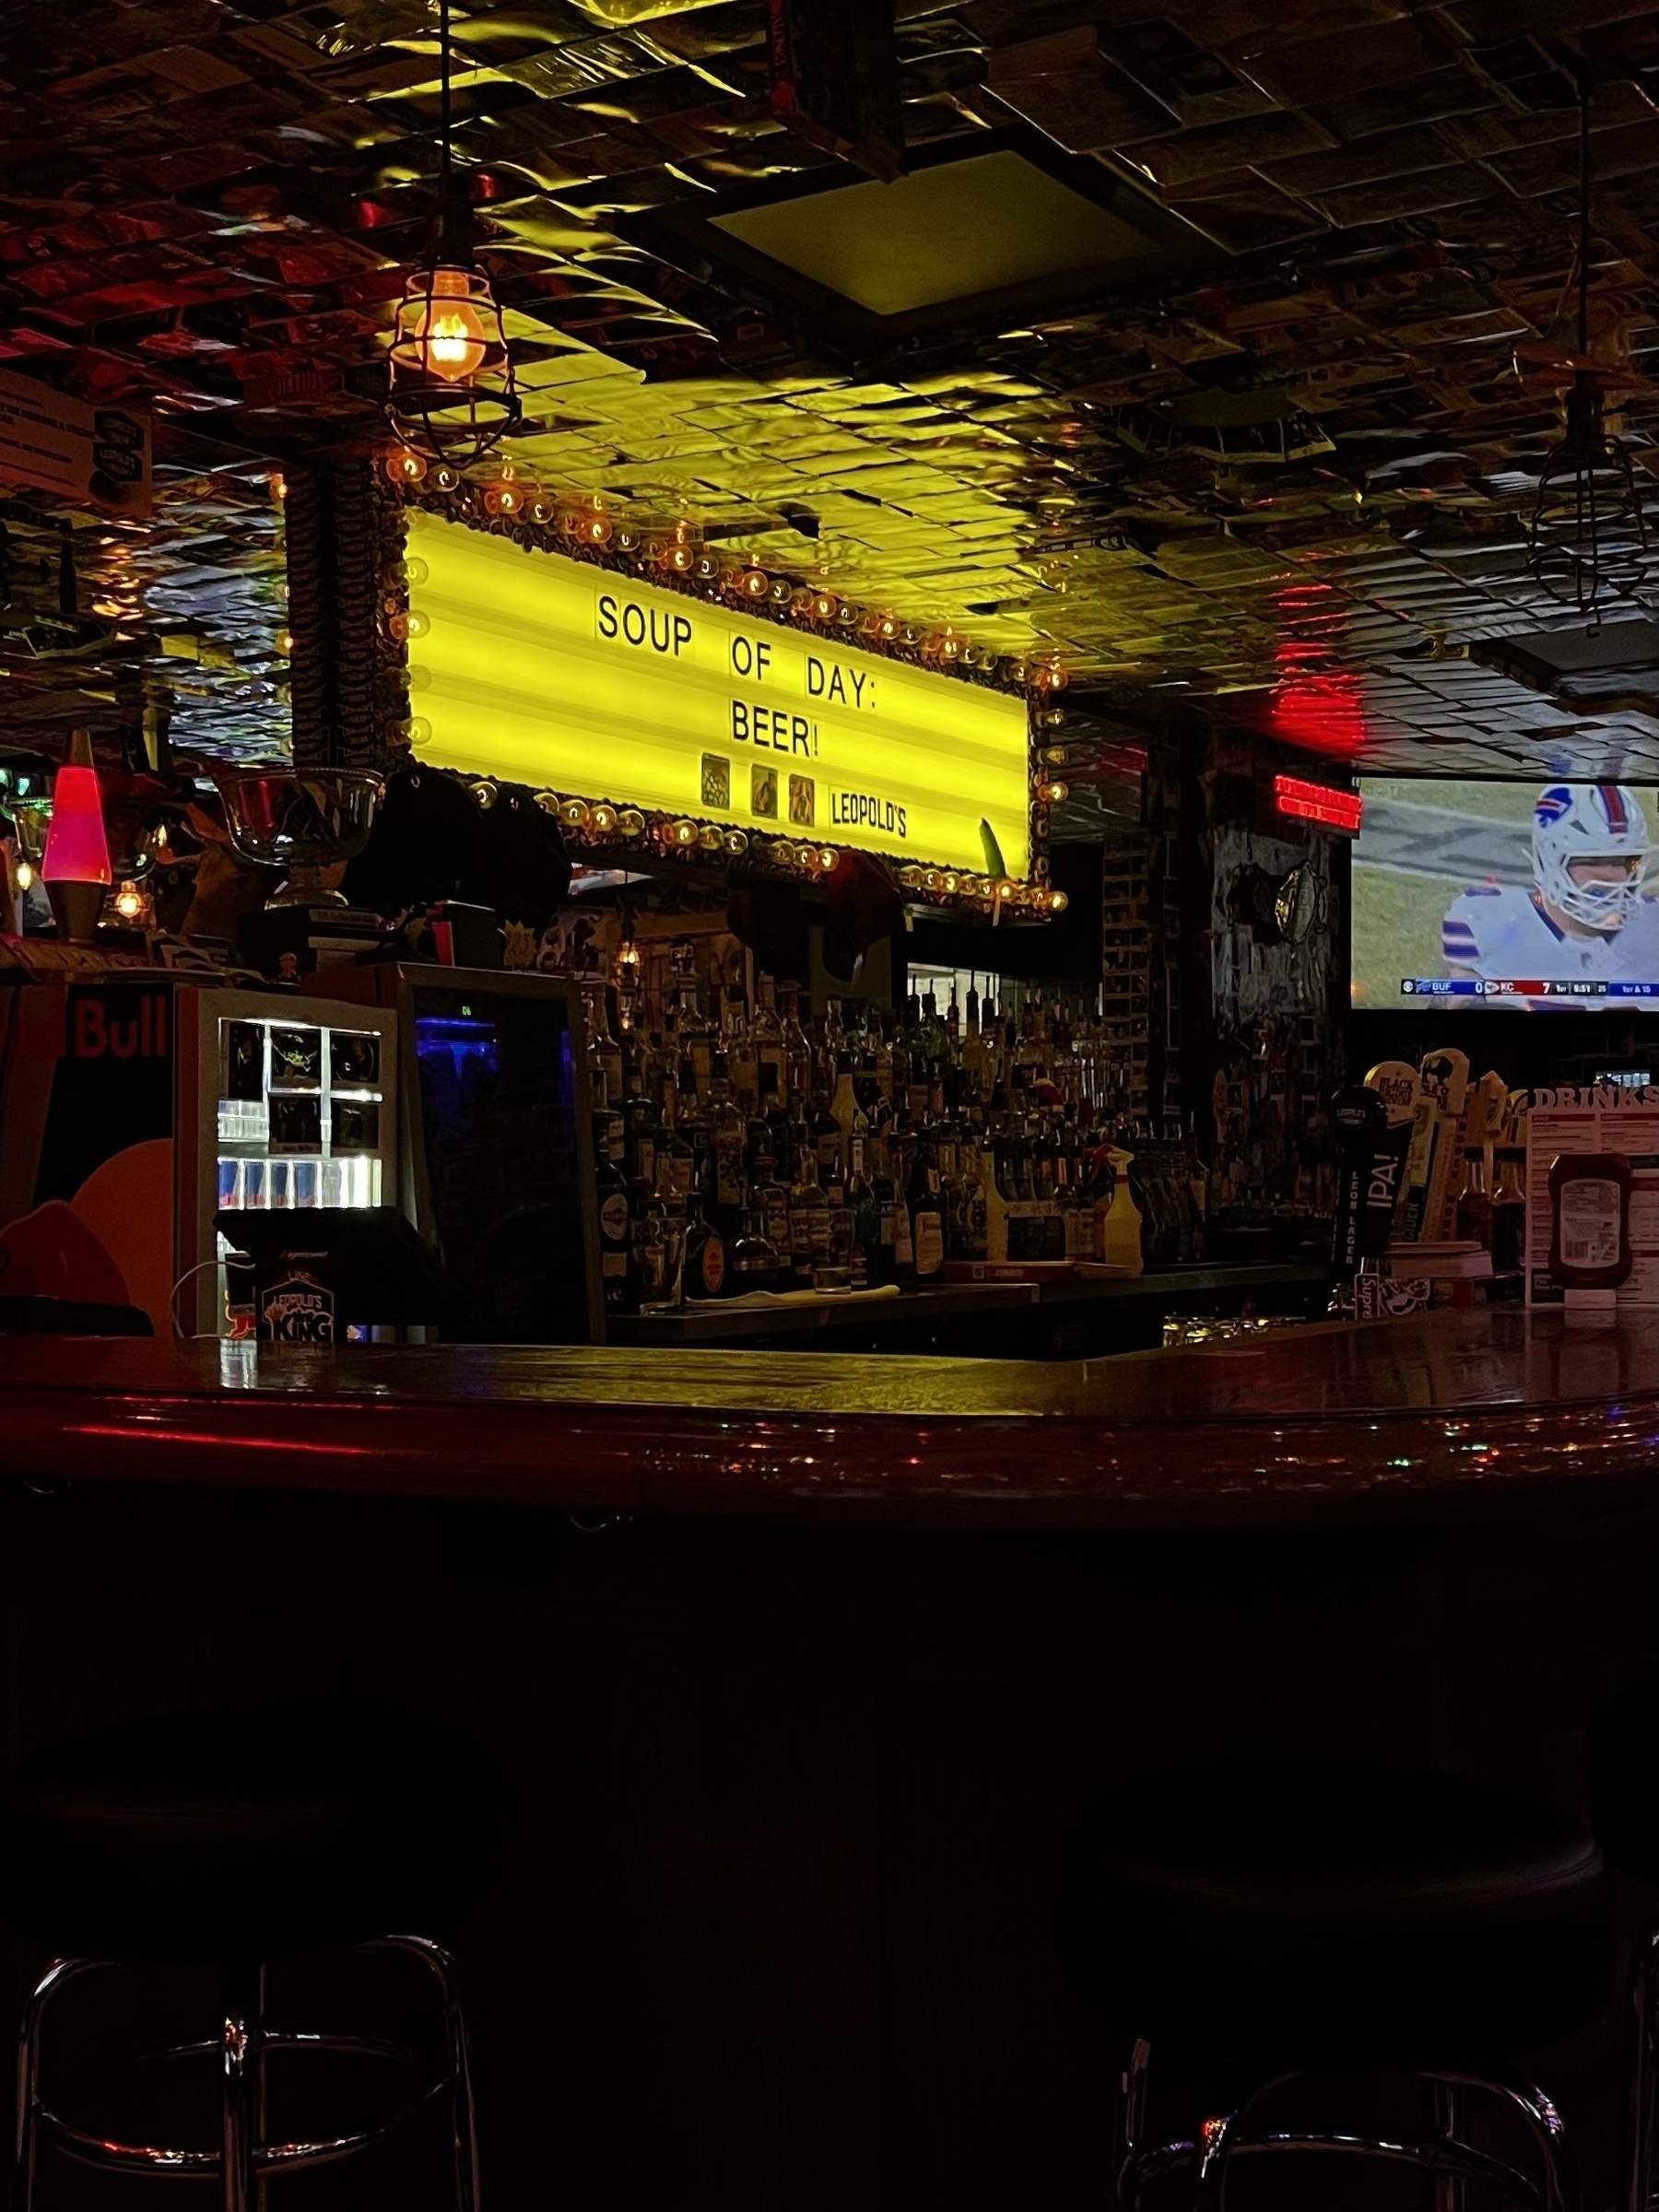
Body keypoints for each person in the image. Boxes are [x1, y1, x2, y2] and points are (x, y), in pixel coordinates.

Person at [1441, 784, 1658, 1002]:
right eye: (1593, 861)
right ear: (1550, 861)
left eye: (1627, 861)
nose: (1614, 875)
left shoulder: (1653, 926)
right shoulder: (1484, 923)